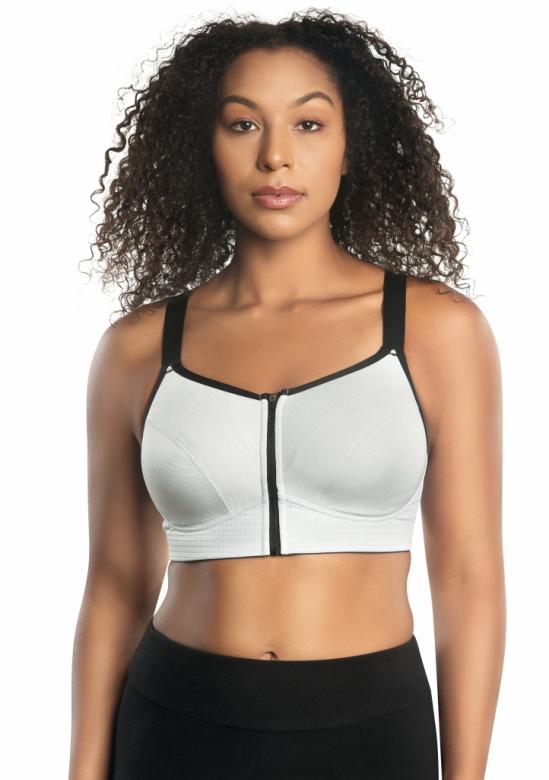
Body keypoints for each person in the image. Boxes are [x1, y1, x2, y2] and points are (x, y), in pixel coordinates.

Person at [69, 10, 505, 780]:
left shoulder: (436, 330)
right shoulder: (136, 349)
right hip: (175, 724)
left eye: (308, 124)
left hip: (370, 731)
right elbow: (113, 586)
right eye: (242, 125)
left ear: (349, 145)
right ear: (201, 146)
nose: (275, 155)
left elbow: (468, 581)